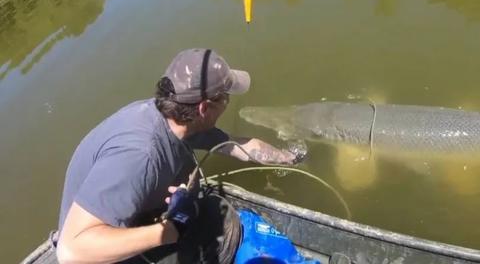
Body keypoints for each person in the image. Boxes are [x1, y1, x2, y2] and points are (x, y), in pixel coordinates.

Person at [55, 48, 300, 264]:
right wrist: (175, 226)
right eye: (225, 97)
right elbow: (71, 251)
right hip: (96, 254)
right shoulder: (142, 155)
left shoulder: (175, 115)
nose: (227, 102)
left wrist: (290, 158)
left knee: (207, 208)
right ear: (204, 108)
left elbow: (235, 145)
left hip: (129, 219)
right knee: (223, 229)